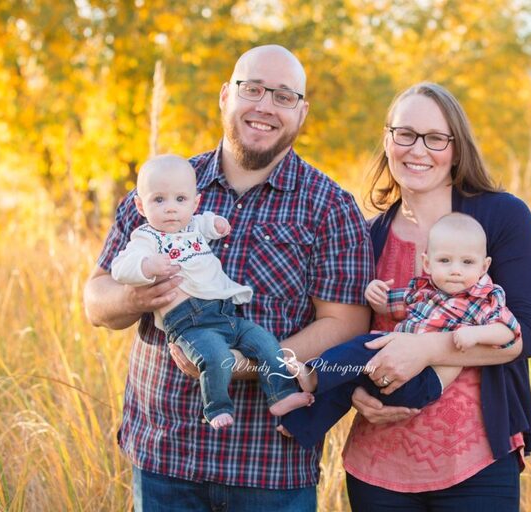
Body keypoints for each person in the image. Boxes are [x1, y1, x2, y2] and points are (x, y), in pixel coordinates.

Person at [83, 45, 373, 511]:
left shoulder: (331, 206)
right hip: (165, 454)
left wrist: (247, 363)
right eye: (252, 89)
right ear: (225, 96)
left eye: (283, 96)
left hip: (269, 466)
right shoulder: (164, 186)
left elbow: (347, 324)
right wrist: (140, 296)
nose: (264, 106)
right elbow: (96, 301)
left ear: (302, 112)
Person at [341, 83, 531, 511]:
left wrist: (425, 349)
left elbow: (526, 334)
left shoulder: (502, 216)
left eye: (435, 138)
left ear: (456, 149)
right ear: (387, 140)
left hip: (476, 458)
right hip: (379, 461)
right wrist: (353, 393)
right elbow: (351, 340)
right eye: (405, 134)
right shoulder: (367, 236)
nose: (418, 150)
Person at [280, 212, 521, 449]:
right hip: (391, 368)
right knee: (345, 383)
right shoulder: (422, 291)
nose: (455, 270)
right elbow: (386, 307)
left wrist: (476, 334)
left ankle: (315, 375)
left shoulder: (481, 299)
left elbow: (509, 331)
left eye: (467, 262)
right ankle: (300, 426)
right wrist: (375, 293)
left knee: (366, 345)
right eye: (444, 261)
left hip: (423, 382)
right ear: (427, 263)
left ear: (484, 266)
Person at [110, 154, 314, 430]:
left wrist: (217, 225)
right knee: (217, 356)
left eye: (180, 200)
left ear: (194, 203)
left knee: (266, 343)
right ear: (140, 205)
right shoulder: (147, 238)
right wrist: (146, 266)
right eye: (159, 200)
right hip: (188, 322)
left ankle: (281, 395)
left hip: (224, 313)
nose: (171, 209)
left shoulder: (193, 224)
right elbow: (121, 267)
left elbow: (207, 223)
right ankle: (216, 407)